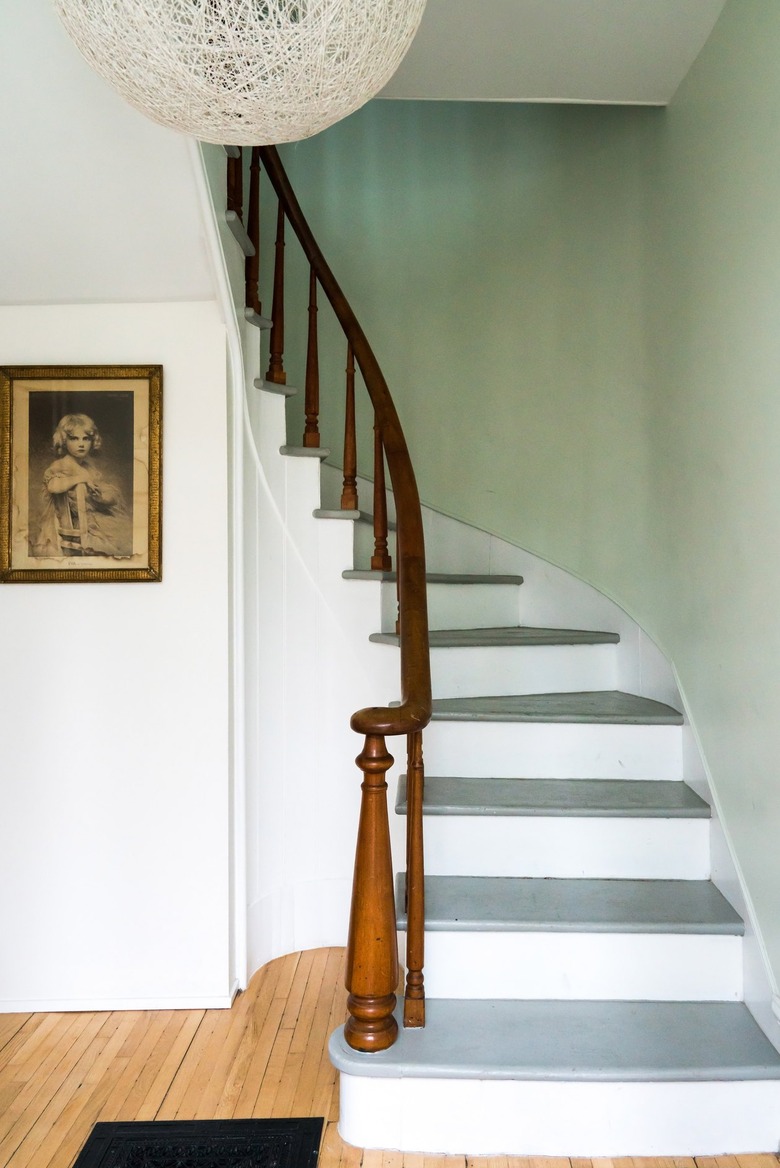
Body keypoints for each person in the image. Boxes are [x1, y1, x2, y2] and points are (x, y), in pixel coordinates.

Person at [31, 413, 132, 558]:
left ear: (92, 442)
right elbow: (53, 486)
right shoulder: (61, 465)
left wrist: (98, 496)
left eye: (86, 439)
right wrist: (81, 478)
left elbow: (106, 496)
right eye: (74, 438)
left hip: (90, 522)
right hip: (75, 529)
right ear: (64, 441)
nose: (81, 444)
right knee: (115, 543)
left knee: (123, 534)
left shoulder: (88, 467)